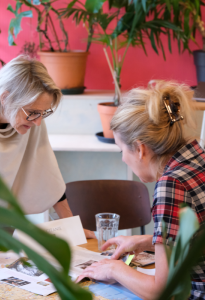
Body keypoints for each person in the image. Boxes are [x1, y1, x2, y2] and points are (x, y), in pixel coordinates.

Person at [77, 81, 205, 299]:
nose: (123, 159)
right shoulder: (197, 156)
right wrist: (148, 241)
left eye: (121, 150)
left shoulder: (171, 185)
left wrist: (114, 269)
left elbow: (162, 290)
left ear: (140, 149)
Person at [0, 55, 95, 238]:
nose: (38, 123)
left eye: (44, 113)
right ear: (5, 98)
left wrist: (73, 229)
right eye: (34, 113)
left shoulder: (29, 119)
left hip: (3, 223)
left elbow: (48, 176)